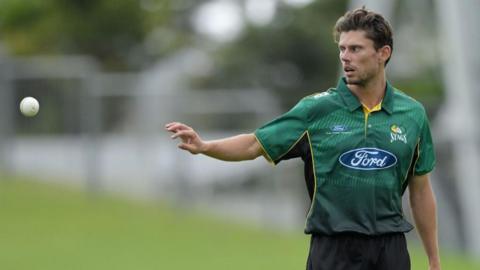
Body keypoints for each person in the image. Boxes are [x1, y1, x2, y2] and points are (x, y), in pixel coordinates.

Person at [165, 7, 440, 270]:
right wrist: (205, 146)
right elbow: (253, 144)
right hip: (333, 250)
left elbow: (421, 190)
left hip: (390, 250)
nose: (345, 56)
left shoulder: (412, 115)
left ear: (383, 53)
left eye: (355, 49)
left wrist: (433, 260)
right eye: (342, 49)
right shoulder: (316, 110)